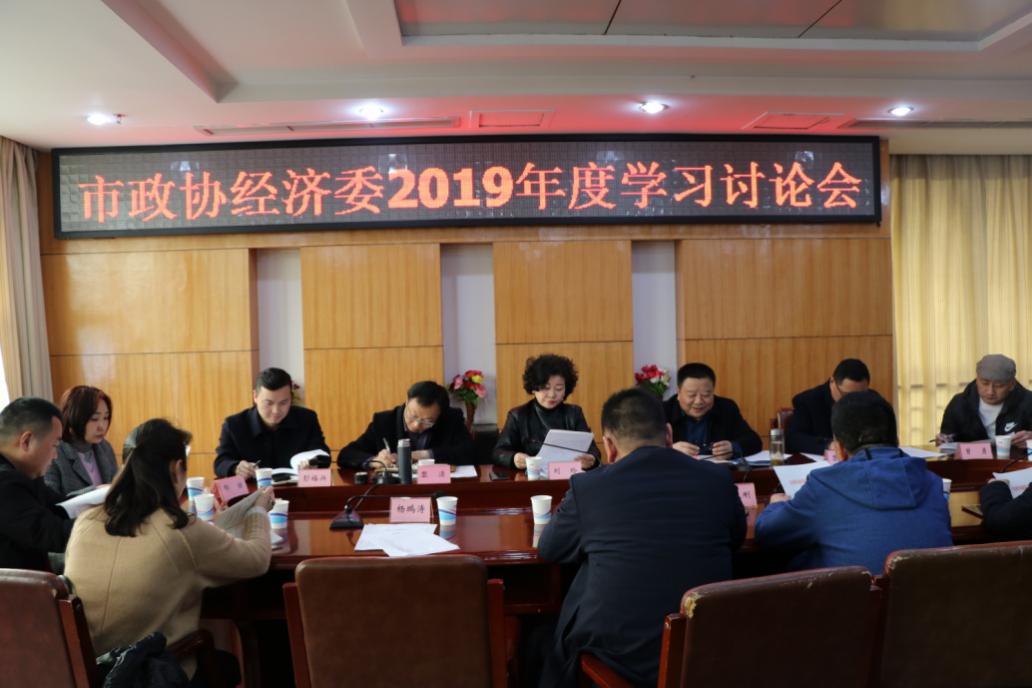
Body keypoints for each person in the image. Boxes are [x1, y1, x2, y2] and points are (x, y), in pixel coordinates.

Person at [537, 388, 746, 687]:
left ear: (609, 446)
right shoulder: (718, 479)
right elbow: (736, 539)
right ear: (669, 435)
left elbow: (550, 549)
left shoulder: (589, 488)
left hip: (618, 660)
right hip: (705, 649)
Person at [65, 418, 273, 685]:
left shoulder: (86, 522)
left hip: (90, 673)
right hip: (150, 675)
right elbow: (256, 560)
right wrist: (258, 511)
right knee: (228, 665)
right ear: (176, 469)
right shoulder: (178, 528)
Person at [755, 390, 952, 573]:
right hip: (930, 598)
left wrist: (775, 505)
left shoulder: (824, 487)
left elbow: (767, 534)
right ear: (896, 439)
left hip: (852, 599)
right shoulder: (932, 483)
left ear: (839, 449)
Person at [214, 367, 330, 479]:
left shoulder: (307, 419)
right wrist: (235, 467)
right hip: (255, 490)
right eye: (268, 403)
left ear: (291, 398)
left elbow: (323, 454)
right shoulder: (234, 425)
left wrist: (314, 462)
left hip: (298, 488)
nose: (276, 411)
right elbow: (220, 462)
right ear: (255, 396)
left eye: (283, 403)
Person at [493, 354, 601, 472]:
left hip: (567, 477)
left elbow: (592, 450)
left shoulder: (574, 413)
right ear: (534, 388)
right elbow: (498, 452)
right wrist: (514, 458)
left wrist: (591, 459)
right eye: (545, 387)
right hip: (530, 477)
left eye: (559, 388)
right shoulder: (518, 415)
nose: (552, 394)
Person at [0, 397, 72, 570]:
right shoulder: (4, 482)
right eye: (55, 445)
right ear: (26, 441)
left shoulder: (25, 473)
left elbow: (59, 505)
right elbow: (53, 534)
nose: (56, 455)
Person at [338, 380, 475, 469]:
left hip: (438, 489)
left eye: (427, 421)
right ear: (407, 401)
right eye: (412, 416)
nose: (416, 425)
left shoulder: (451, 419)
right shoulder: (384, 421)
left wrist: (424, 455)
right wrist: (375, 461)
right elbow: (346, 455)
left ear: (440, 414)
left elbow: (470, 452)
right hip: (395, 491)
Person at [786, 359, 898, 454]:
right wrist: (829, 445)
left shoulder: (873, 400)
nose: (854, 401)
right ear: (832, 381)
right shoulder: (808, 401)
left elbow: (887, 437)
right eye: (847, 395)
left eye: (860, 395)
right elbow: (794, 439)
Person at [662, 362, 761, 458]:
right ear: (679, 393)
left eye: (706, 395)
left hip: (717, 468)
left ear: (713, 391)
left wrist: (732, 447)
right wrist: (670, 449)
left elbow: (754, 441)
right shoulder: (662, 411)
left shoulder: (726, 408)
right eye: (691, 395)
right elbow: (651, 447)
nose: (698, 401)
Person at [938, 354, 1032, 447]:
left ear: (1012, 384)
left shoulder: (1028, 402)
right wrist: (943, 441)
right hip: (971, 457)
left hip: (1015, 456)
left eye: (999, 386)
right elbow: (946, 442)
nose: (990, 392)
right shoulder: (959, 404)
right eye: (984, 383)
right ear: (977, 379)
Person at [45, 385, 119, 498]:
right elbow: (50, 500)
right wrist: (96, 491)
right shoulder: (54, 452)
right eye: (94, 419)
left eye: (106, 418)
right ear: (74, 416)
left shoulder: (105, 447)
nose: (102, 426)